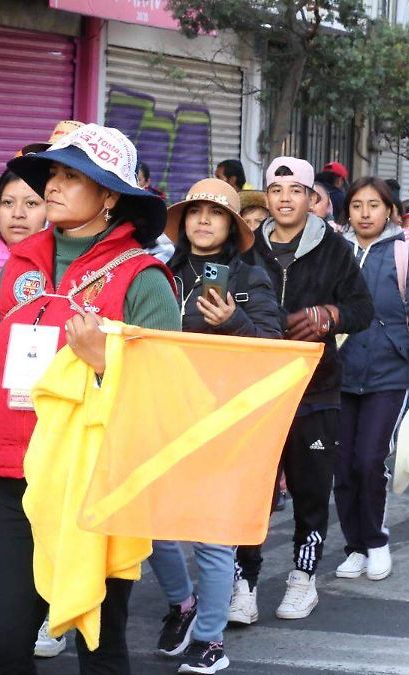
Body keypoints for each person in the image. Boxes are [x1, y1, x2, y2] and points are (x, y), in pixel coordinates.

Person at [0, 124, 179, 673]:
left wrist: (106, 363)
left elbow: (169, 390)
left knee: (99, 645)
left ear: (109, 197)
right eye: (53, 173)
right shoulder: (20, 267)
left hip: (97, 484)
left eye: (72, 177)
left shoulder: (143, 279)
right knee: (2, 642)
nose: (52, 186)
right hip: (15, 480)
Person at [233, 156, 374, 622]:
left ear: (312, 197)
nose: (285, 199)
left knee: (312, 488)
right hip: (258, 387)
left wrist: (328, 316)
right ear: (267, 197)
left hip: (316, 387)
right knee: (253, 489)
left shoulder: (334, 248)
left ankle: (303, 576)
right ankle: (245, 582)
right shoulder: (249, 249)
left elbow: (361, 309)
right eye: (276, 190)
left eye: (295, 190)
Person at [150, 177, 281, 673]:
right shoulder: (159, 273)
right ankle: (182, 605)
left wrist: (234, 323)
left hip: (225, 421)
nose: (203, 220)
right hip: (163, 414)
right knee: (153, 529)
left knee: (212, 533)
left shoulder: (249, 277)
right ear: (182, 222)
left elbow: (274, 346)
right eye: (195, 212)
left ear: (230, 224)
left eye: (216, 212)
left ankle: (210, 638)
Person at [335, 176, 409, 582]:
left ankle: (376, 541)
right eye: (357, 205)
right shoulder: (335, 252)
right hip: (338, 375)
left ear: (390, 210)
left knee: (369, 460)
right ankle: (354, 546)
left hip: (388, 375)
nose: (364, 213)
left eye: (373, 205)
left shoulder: (404, 255)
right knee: (342, 466)